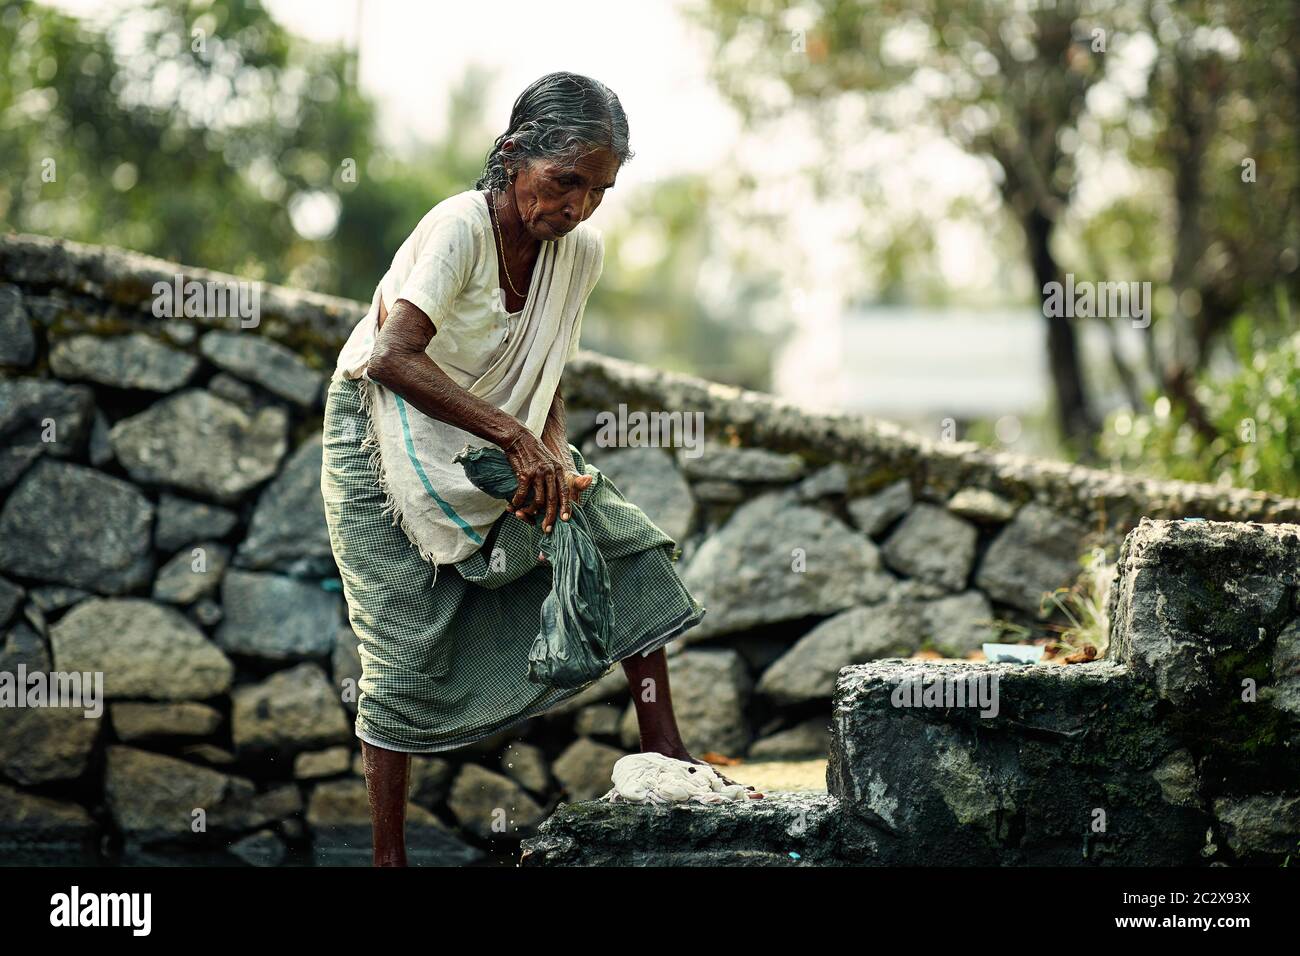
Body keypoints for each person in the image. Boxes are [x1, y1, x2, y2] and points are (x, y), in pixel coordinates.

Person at [320, 72, 761, 867]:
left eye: (599, 190)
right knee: (399, 646)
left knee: (615, 535)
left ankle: (665, 745)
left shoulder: (577, 252)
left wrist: (551, 455)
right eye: (567, 182)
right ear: (514, 156)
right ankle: (389, 859)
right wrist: (516, 442)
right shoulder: (458, 228)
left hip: (497, 426)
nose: (579, 207)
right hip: (379, 433)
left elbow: (546, 366)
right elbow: (392, 357)